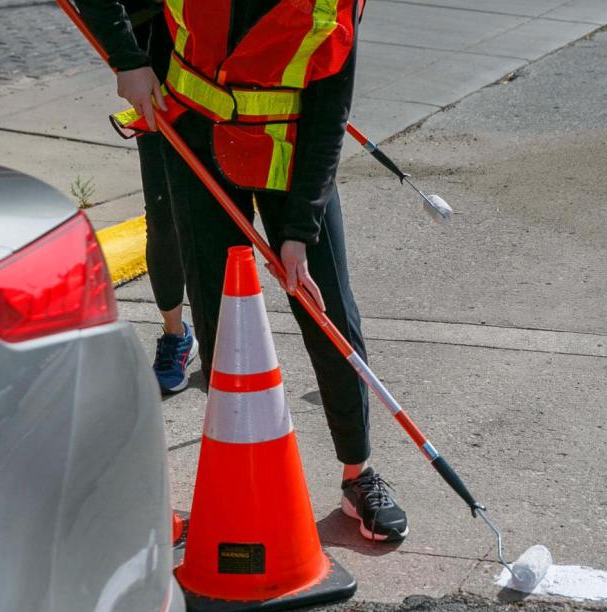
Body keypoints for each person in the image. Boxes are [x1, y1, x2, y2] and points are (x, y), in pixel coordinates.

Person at [76, 0, 408, 542]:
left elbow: (329, 111)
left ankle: (358, 475)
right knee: (218, 320)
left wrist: (301, 232)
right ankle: (241, 472)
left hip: (290, 153)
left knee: (330, 316)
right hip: (197, 143)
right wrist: (127, 59)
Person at [83, 1, 198, 393]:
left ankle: (235, 333)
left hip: (223, 44)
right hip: (155, 48)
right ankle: (175, 334)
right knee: (165, 210)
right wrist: (128, 58)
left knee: (227, 206)